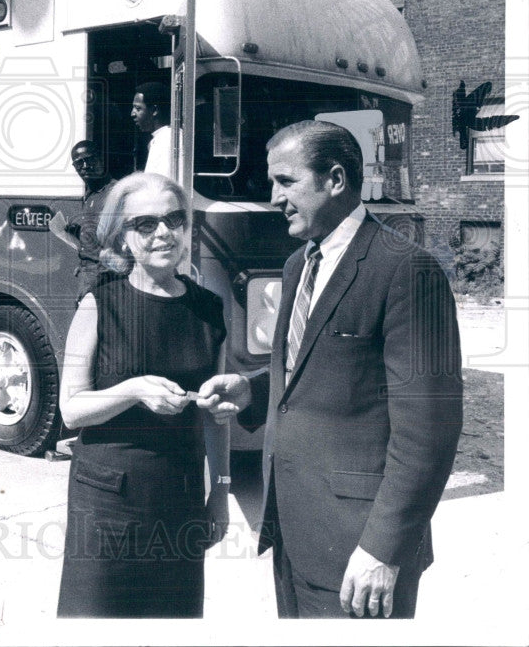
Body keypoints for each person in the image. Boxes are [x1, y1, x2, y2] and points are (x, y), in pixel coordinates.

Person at [196, 120, 462, 619]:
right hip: (293, 531)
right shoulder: (300, 263)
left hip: (360, 546)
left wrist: (384, 548)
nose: (274, 197)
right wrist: (253, 390)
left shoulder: (406, 270)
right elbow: (311, 371)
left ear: (336, 179)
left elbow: (429, 431)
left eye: (286, 182)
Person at [56, 172, 232, 618]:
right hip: (108, 503)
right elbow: (72, 409)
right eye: (145, 224)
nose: (163, 233)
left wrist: (221, 492)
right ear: (122, 236)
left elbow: (217, 414)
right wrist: (133, 390)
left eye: (174, 219)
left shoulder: (209, 308)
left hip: (181, 498)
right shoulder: (100, 303)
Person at [63, 140, 117, 300]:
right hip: (89, 271)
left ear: (101, 159)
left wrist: (95, 273)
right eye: (79, 163)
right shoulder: (91, 193)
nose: (85, 166)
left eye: (90, 159)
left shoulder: (115, 193)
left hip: (103, 275)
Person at [130, 82, 172, 175]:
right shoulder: (162, 138)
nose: (132, 114)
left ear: (154, 110)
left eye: (138, 108)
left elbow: (160, 184)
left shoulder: (166, 141)